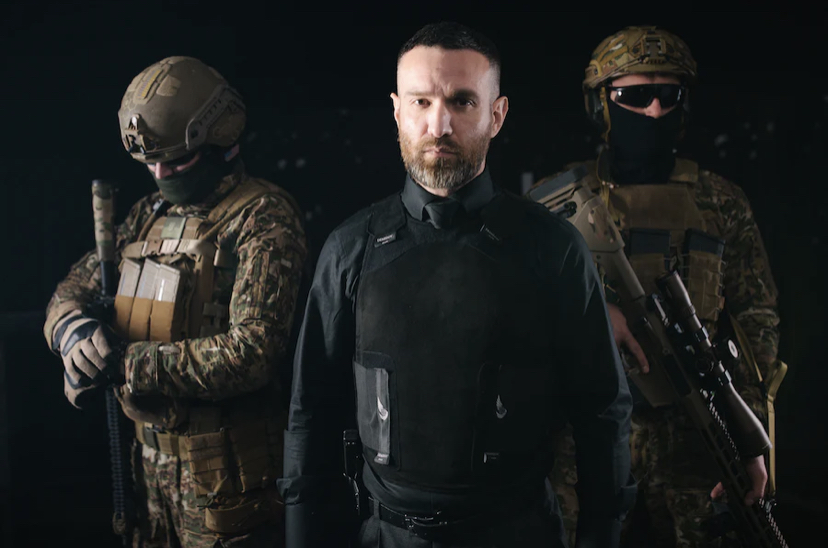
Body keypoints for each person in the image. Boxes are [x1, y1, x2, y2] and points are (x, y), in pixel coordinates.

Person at [278, 21, 635, 548]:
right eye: (421, 102)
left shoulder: (553, 248)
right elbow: (310, 412)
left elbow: (602, 411)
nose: (438, 125)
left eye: (462, 101)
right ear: (397, 110)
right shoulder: (349, 248)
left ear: (497, 114)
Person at [531, 26, 783, 547]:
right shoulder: (558, 204)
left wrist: (748, 436)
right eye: (633, 96)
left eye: (669, 95)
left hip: (695, 432)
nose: (653, 111)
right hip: (582, 433)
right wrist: (593, 313)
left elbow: (755, 322)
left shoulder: (720, 202)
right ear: (601, 105)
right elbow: (515, 309)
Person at [43, 56, 308, 547]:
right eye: (151, 163)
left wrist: (127, 364)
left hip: (225, 484)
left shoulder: (262, 217)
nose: (161, 173)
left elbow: (254, 353)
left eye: (177, 161)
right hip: (149, 482)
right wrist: (71, 330)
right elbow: (75, 285)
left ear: (221, 140)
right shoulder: (148, 215)